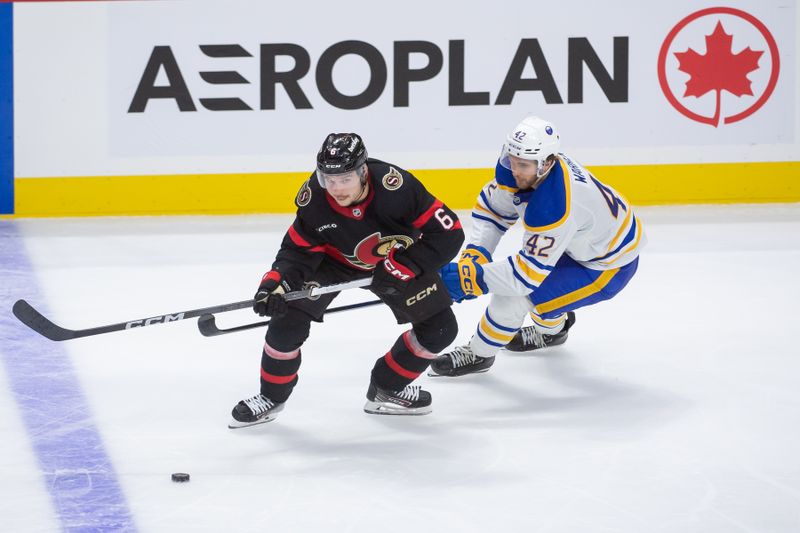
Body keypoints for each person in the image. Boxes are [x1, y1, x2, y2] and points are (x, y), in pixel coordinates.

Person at [230, 133, 464, 428]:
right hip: (334, 264)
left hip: (397, 262)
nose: (336, 189)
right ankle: (271, 397)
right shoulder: (314, 200)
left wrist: (406, 266)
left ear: (363, 172)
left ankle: (387, 387)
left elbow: (450, 233)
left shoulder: (398, 188)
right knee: (286, 323)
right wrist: (275, 283)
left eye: (344, 179)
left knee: (441, 330)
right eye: (329, 179)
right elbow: (296, 251)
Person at [429, 116, 645, 377]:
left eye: (524, 165)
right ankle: (554, 331)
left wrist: (471, 279)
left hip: (607, 265)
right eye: (512, 160)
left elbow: (524, 278)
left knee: (514, 299)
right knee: (542, 295)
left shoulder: (556, 205)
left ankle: (479, 354)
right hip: (582, 241)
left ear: (547, 163)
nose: (515, 170)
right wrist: (475, 255)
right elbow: (493, 210)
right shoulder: (529, 168)